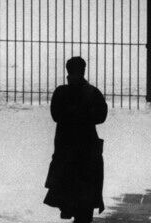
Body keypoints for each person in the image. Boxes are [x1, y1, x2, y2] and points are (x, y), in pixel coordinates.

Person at [44, 56, 107, 223]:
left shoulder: (61, 92)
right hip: (87, 149)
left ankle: (71, 210)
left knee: (68, 188)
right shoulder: (92, 92)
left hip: (66, 148)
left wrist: (72, 113)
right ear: (84, 71)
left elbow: (56, 115)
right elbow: (101, 116)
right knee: (85, 194)